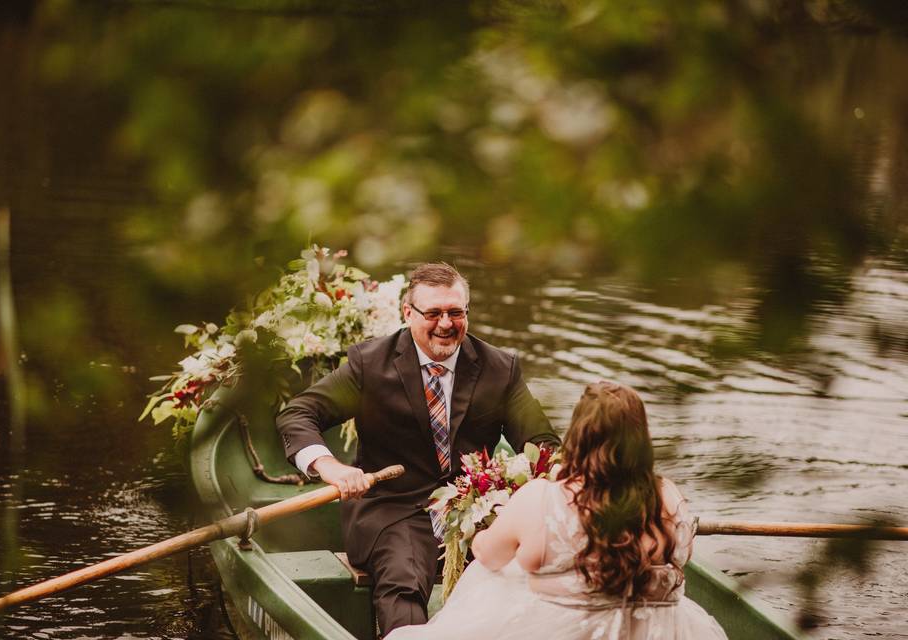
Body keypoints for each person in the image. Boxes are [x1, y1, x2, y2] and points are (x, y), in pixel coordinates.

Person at [276, 262, 560, 635]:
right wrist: (330, 466)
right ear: (408, 313)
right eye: (433, 313)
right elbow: (298, 413)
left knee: (525, 575)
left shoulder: (499, 368)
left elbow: (543, 444)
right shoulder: (370, 365)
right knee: (405, 580)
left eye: (455, 313)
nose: (446, 324)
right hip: (392, 508)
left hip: (475, 511)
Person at [385, 381, 728, 640]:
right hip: (658, 629)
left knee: (492, 576)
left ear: (578, 436)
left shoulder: (542, 497)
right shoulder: (668, 496)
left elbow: (487, 555)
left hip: (562, 630)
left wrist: (497, 522)